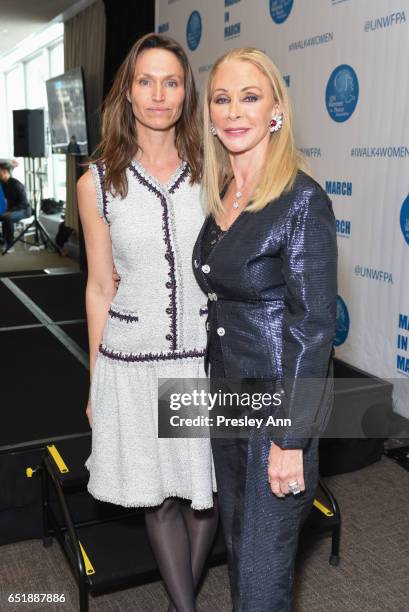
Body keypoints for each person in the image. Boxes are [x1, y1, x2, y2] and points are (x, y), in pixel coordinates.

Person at [193, 47, 337, 611]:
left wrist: (290, 440)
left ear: (276, 109)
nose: (234, 111)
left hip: (277, 413)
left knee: (261, 579)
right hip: (227, 402)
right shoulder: (224, 194)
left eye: (249, 97)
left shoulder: (302, 201)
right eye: (222, 99)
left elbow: (314, 328)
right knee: (240, 551)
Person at [77, 33, 218, 612]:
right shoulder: (97, 182)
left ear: (186, 94)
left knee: (208, 498)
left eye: (172, 81)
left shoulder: (214, 169)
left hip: (203, 361)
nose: (159, 94)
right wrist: (93, 381)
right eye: (146, 81)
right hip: (132, 364)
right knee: (158, 499)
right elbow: (99, 285)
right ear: (127, 93)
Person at [0, 162, 30, 252]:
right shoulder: (2, 183)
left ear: (5, 172)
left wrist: (10, 211)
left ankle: (10, 244)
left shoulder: (17, 184)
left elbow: (23, 203)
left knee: (7, 217)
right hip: (10, 209)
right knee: (4, 215)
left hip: (24, 210)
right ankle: (3, 240)